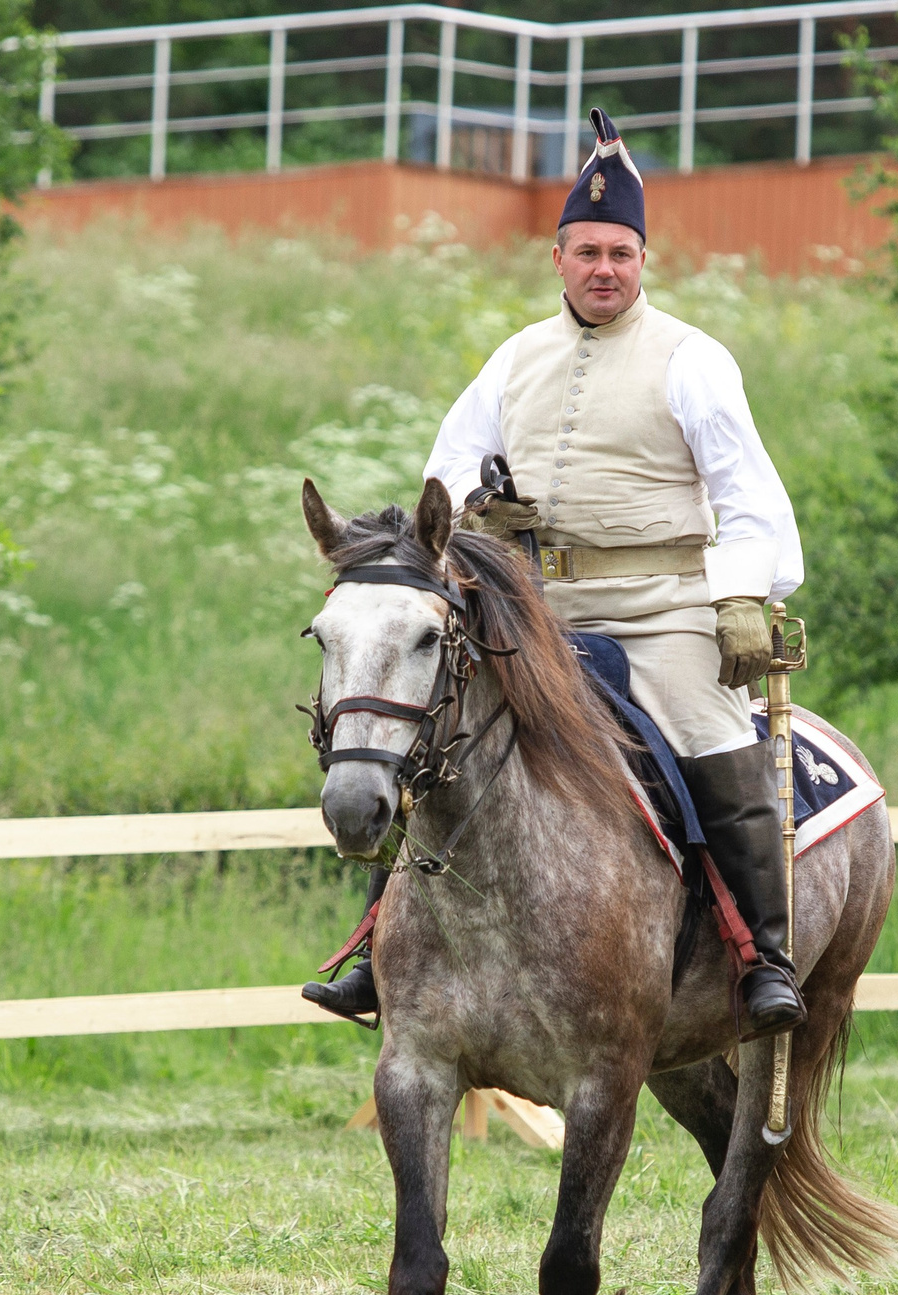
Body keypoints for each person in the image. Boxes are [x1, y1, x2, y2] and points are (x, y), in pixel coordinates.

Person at [305, 109, 807, 1038]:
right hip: (537, 611)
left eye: (621, 251)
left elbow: (749, 493)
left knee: (706, 733)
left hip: (664, 610)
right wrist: (478, 510)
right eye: (587, 251)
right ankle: (377, 945)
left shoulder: (694, 361)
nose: (604, 268)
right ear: (558, 256)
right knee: (425, 722)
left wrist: (743, 597)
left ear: (643, 259)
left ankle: (763, 956)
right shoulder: (512, 360)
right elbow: (444, 480)